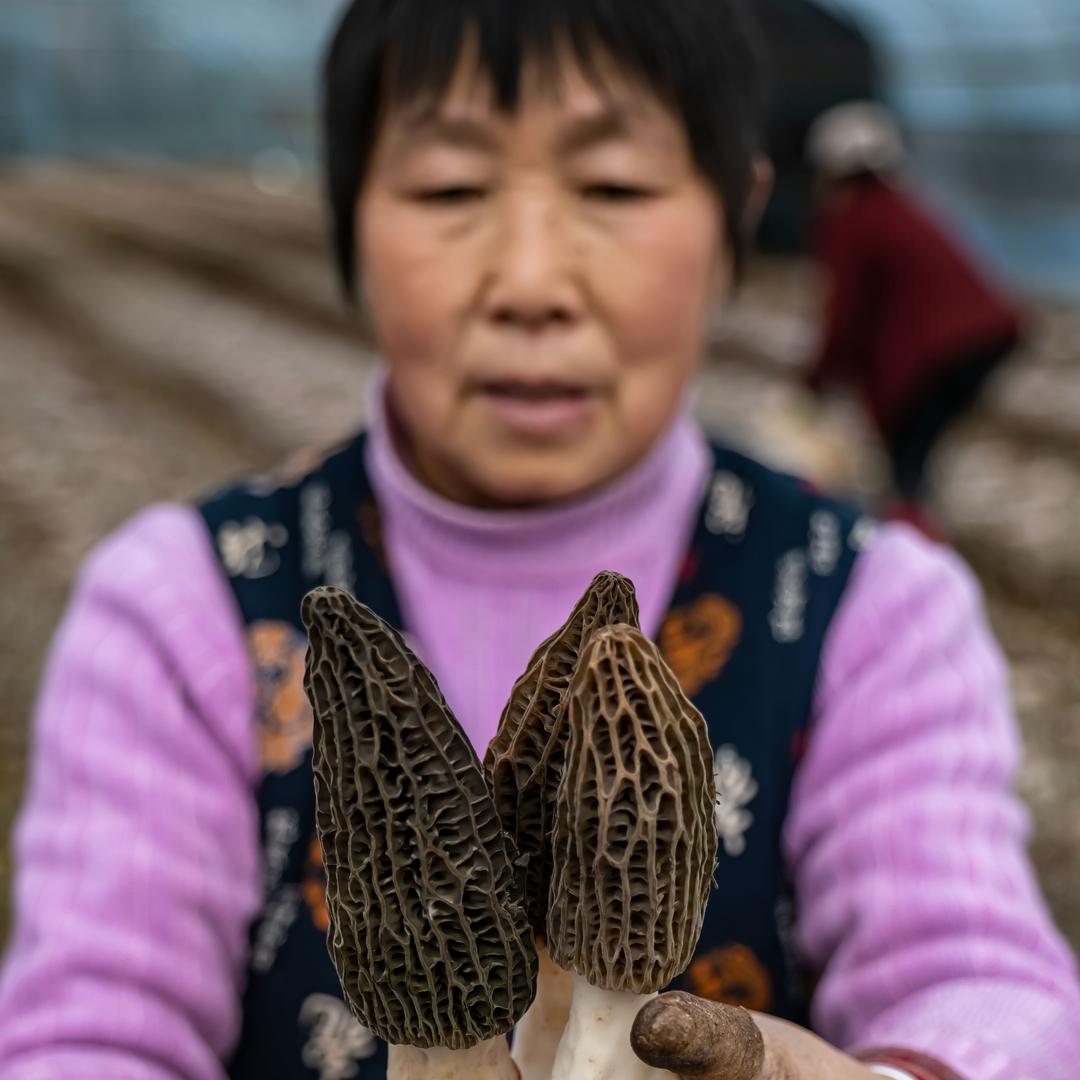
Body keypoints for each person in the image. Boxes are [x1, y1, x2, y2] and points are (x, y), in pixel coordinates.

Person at [1, 4, 1077, 1079]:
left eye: (614, 188)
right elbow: (85, 1031)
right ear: (348, 215)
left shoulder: (870, 607)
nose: (531, 283)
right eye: (450, 190)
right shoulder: (181, 608)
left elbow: (987, 980)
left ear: (738, 219)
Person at [803, 101, 1024, 534]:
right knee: (914, 451)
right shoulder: (901, 207)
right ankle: (918, 525)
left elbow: (847, 314)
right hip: (987, 335)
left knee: (906, 454)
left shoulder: (853, 222)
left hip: (942, 349)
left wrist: (816, 380)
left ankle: (916, 540)